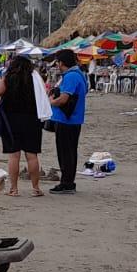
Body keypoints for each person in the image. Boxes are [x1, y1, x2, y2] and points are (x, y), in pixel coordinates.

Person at [0, 55, 42, 196]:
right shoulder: (34, 78)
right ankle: (36, 189)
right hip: (32, 118)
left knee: (14, 155)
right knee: (32, 155)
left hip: (11, 119)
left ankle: (14, 189)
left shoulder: (9, 78)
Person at [48, 49, 88, 194]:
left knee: (65, 152)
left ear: (62, 62)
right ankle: (68, 181)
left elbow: (64, 99)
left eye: (58, 62)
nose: (57, 65)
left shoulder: (71, 76)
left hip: (67, 120)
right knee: (70, 151)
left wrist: (51, 101)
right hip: (74, 119)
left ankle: (66, 182)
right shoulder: (80, 75)